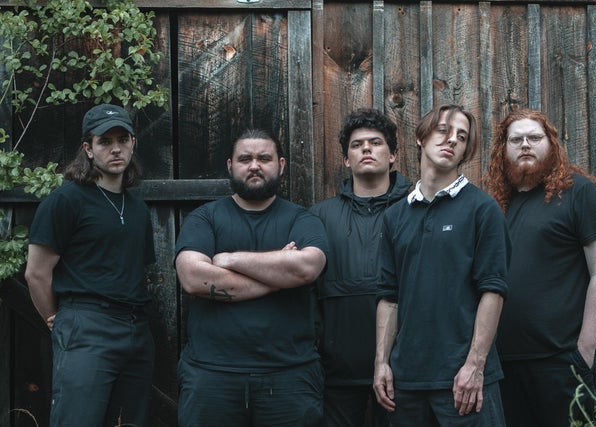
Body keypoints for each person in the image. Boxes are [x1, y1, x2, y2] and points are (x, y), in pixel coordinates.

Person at [174, 129, 328, 427]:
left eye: (264, 158)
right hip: (211, 376)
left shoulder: (302, 219)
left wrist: (229, 260)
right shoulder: (205, 218)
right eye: (245, 159)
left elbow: (307, 268)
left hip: (290, 376)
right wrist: (279, 273)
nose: (254, 165)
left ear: (280, 165)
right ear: (230, 166)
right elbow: (192, 277)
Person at [373, 104, 510, 426]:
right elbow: (389, 297)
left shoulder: (482, 209)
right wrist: (382, 363)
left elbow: (493, 290)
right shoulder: (395, 216)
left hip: (463, 381)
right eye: (444, 130)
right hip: (406, 381)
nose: (452, 140)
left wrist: (474, 366)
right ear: (421, 138)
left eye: (461, 137)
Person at [25, 104, 156, 427]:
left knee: (129, 421)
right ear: (88, 148)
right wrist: (60, 320)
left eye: (122, 140)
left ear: (133, 143)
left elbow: (137, 270)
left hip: (136, 329)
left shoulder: (138, 209)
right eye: (105, 141)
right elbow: (36, 272)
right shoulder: (66, 200)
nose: (116, 149)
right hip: (86, 325)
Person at [484, 108, 596, 427]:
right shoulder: (497, 204)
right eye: (516, 139)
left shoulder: (578, 192)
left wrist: (584, 350)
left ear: (552, 144)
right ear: (503, 150)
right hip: (503, 365)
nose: (525, 145)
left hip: (560, 362)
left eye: (534, 137)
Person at [310, 108, 411, 427]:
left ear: (393, 156)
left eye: (376, 142)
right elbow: (307, 290)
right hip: (337, 368)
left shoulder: (416, 208)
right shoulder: (320, 216)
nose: (366, 148)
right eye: (357, 145)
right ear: (346, 160)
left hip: (404, 366)